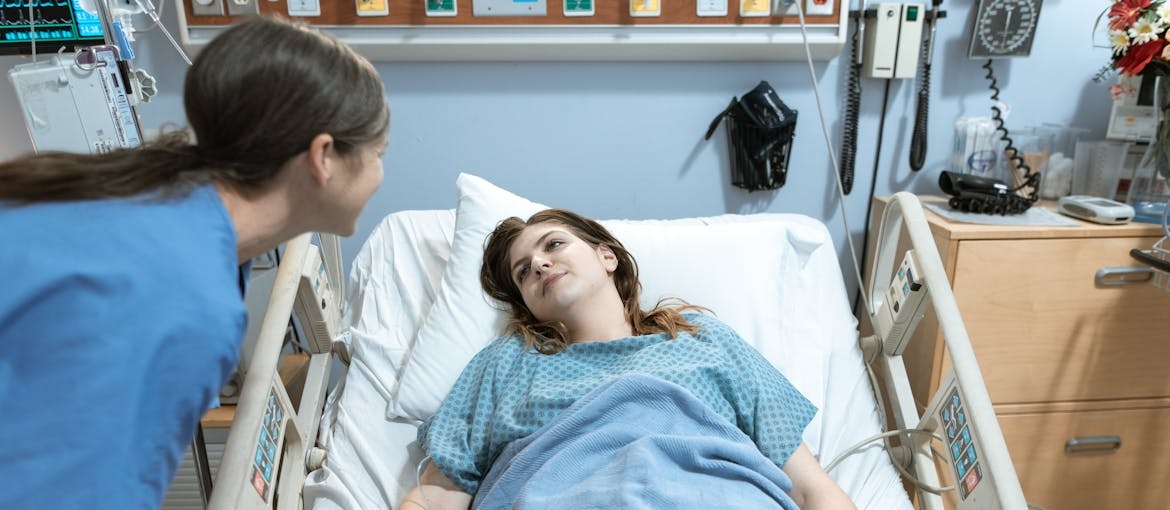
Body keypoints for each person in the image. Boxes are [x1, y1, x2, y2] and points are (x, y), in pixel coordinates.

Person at [0, 15, 389, 509]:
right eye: (379, 152)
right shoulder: (183, 297)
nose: (380, 174)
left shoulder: (151, 199)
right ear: (323, 157)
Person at [399, 209, 857, 510]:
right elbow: (438, 492)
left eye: (553, 245)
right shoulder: (508, 362)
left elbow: (809, 486)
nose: (538, 264)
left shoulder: (700, 337)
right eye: (523, 272)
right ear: (529, 306)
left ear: (607, 256)